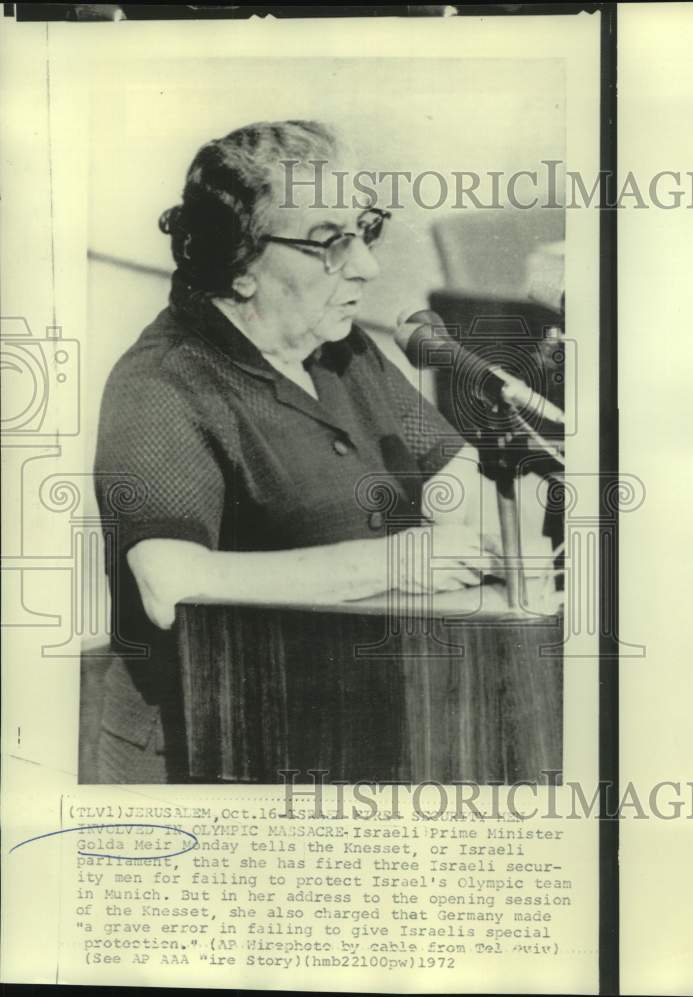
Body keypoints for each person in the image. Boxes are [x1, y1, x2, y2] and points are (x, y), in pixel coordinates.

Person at [92, 120, 548, 783]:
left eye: (365, 230)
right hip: (209, 752)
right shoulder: (163, 382)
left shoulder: (339, 349)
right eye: (329, 243)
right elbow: (173, 582)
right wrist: (393, 561)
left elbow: (462, 480)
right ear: (241, 268)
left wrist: (499, 529)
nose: (365, 264)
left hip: (345, 721)